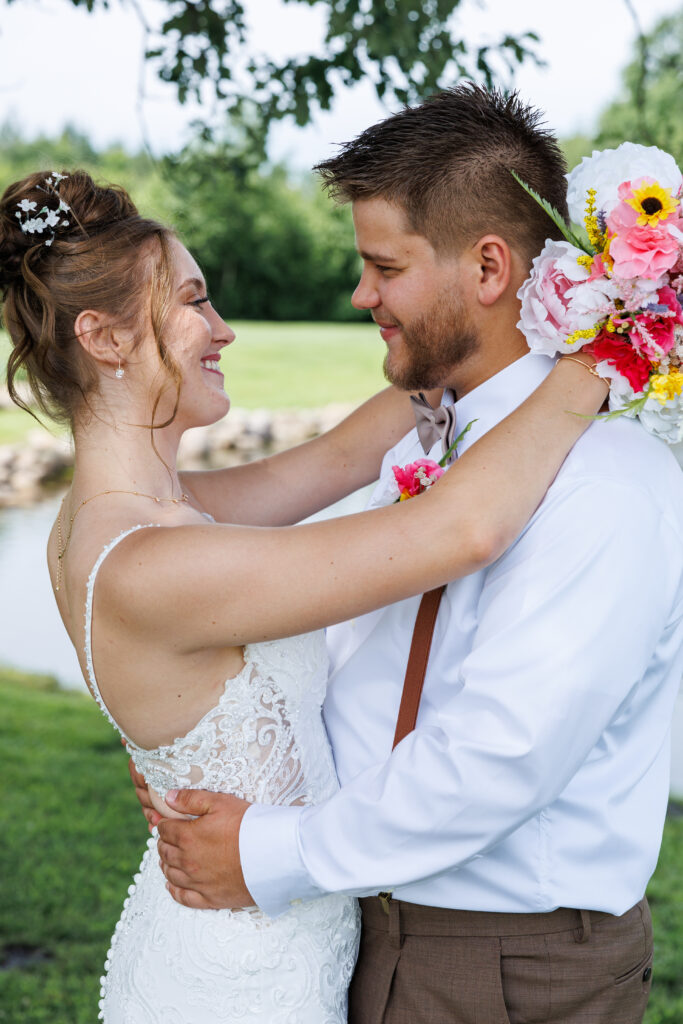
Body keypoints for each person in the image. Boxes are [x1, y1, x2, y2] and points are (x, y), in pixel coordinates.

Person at [0, 155, 606, 1023]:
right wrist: (609, 352)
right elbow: (455, 532)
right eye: (191, 300)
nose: (223, 328)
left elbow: (335, 460)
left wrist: (496, 335)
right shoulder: (148, 562)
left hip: (266, 936)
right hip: (235, 980)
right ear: (104, 338)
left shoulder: (142, 515)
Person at [140, 86, 683, 1024]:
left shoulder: (606, 480)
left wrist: (273, 852)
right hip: (369, 920)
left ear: (486, 267)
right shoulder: (426, 440)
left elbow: (500, 754)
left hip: (506, 962)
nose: (361, 297)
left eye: (382, 267)